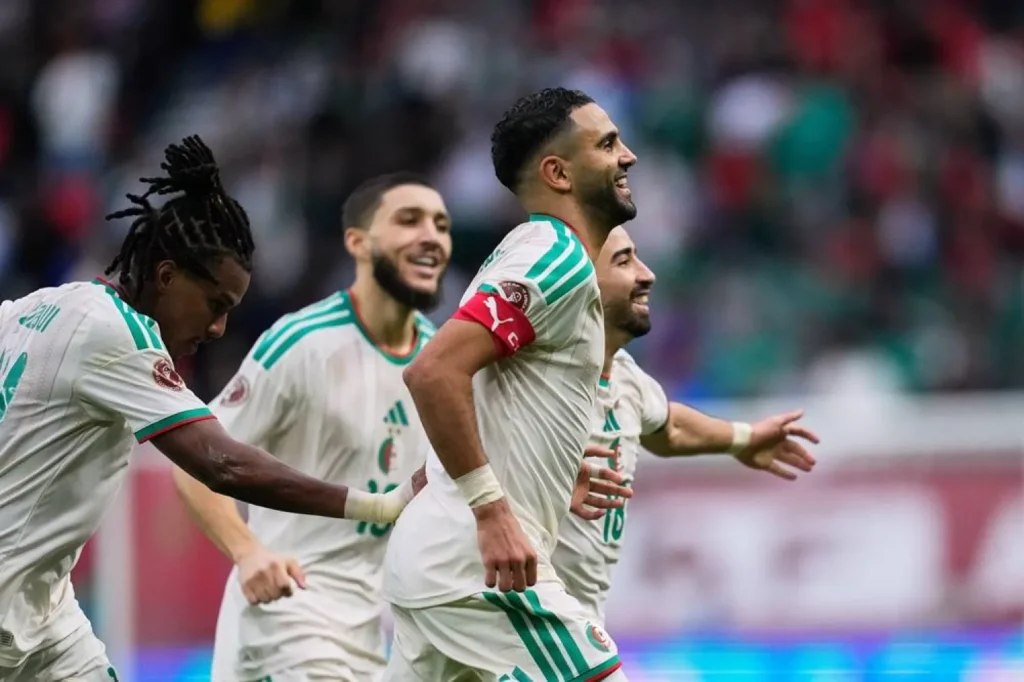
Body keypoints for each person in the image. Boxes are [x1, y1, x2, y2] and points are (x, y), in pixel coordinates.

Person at [0, 137, 417, 682]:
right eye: (215, 304)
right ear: (167, 277)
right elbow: (222, 464)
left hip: (45, 618)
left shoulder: (33, 307)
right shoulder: (118, 336)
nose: (218, 328)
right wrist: (378, 505)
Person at [383, 87, 639, 681]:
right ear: (558, 173)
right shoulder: (555, 258)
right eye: (607, 144)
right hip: (473, 568)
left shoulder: (526, 252)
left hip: (443, 564)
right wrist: (492, 511)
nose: (627, 156)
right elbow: (433, 371)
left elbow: (479, 382)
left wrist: (545, 465)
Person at [172, 173, 452, 682]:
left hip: (371, 634)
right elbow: (195, 463)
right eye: (409, 220)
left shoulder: (440, 362)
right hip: (286, 617)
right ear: (357, 242)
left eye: (442, 225)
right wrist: (247, 551)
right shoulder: (303, 342)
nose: (431, 236)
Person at [553, 226, 821, 625]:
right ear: (582, 285)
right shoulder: (531, 372)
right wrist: (538, 477)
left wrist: (743, 438)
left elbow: (669, 427)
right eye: (624, 261)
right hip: (518, 607)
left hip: (577, 612)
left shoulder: (626, 377)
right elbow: (458, 398)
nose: (647, 274)